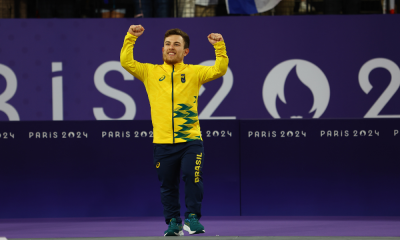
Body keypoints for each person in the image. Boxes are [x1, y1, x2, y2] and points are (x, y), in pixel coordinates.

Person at [120, 26, 228, 236]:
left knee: (192, 176)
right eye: (168, 44)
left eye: (177, 44)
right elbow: (126, 62)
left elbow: (220, 69)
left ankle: (192, 218)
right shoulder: (150, 72)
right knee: (167, 185)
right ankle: (173, 223)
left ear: (185, 51)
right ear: (162, 49)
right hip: (162, 142)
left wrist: (219, 46)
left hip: (191, 140)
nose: (171, 47)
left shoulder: (194, 72)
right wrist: (131, 37)